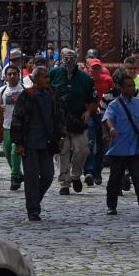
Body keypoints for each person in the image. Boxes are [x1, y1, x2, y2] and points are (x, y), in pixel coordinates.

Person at [11, 67, 66, 221]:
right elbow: (17, 120)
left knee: (48, 175)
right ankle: (33, 209)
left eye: (48, 77)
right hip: (30, 143)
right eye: (44, 77)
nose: (48, 80)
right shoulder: (26, 95)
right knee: (31, 178)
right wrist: (19, 143)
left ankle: (34, 200)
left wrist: (60, 135)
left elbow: (59, 115)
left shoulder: (52, 94)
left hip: (47, 143)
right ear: (35, 79)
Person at [103, 73, 139, 215]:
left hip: (134, 148)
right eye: (129, 86)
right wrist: (112, 129)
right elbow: (108, 118)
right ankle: (111, 205)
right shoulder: (114, 105)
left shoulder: (138, 103)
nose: (132, 88)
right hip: (119, 148)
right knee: (115, 179)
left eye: (133, 85)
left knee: (138, 178)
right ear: (120, 88)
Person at [50, 49, 96, 195]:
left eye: (71, 58)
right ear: (61, 58)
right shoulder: (54, 73)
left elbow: (93, 98)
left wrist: (88, 112)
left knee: (82, 149)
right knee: (62, 151)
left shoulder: (84, 77)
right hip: (59, 120)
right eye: (66, 57)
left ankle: (76, 175)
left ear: (76, 59)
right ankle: (65, 182)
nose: (68, 60)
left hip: (77, 119)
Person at [84, 58, 113, 186]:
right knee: (90, 142)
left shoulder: (107, 80)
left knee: (102, 144)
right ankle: (89, 171)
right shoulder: (85, 80)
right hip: (89, 112)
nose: (95, 70)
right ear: (88, 68)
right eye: (93, 67)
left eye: (97, 68)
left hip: (103, 114)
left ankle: (97, 171)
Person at [0, 65, 25, 191]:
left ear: (18, 75)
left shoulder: (24, 90)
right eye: (9, 74)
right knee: (8, 152)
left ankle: (14, 177)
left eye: (14, 73)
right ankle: (19, 174)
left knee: (15, 150)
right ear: (5, 76)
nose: (12, 76)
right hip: (6, 126)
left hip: (20, 127)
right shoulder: (2, 91)